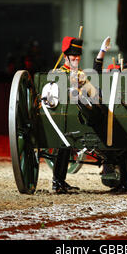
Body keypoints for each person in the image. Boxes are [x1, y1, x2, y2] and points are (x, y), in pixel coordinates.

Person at [52, 35, 110, 194]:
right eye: (73, 57)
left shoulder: (80, 74)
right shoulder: (58, 73)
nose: (76, 59)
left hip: (81, 115)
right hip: (63, 115)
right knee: (63, 145)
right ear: (65, 57)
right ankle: (58, 181)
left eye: (78, 57)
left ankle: (59, 181)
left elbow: (92, 91)